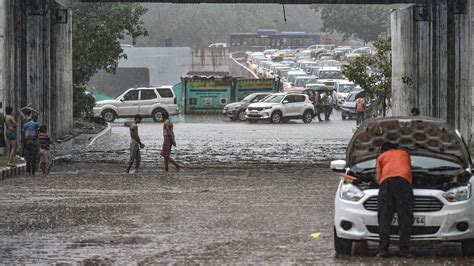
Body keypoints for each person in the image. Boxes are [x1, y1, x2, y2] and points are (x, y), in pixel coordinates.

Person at [376, 142, 414, 258]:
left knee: (384, 218)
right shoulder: (404, 153)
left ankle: (383, 251)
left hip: (387, 184)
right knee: (405, 218)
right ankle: (404, 251)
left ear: (383, 150)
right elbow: (409, 168)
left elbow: (378, 178)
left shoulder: (381, 157)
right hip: (403, 182)